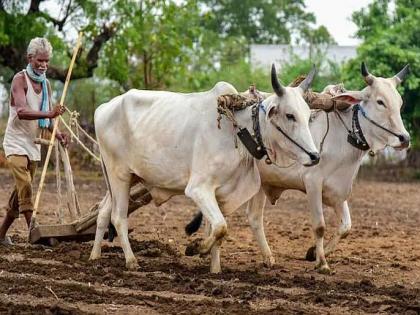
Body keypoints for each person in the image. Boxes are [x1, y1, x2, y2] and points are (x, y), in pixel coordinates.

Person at [0, 37, 68, 245]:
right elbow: (21, 111)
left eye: (47, 61)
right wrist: (50, 113)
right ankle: (35, 232)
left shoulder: (46, 84)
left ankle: (1, 234)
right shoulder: (19, 80)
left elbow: (45, 121)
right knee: (26, 184)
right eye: (40, 60)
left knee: (20, 191)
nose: (44, 65)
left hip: (33, 144)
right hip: (15, 142)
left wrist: (57, 133)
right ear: (30, 58)